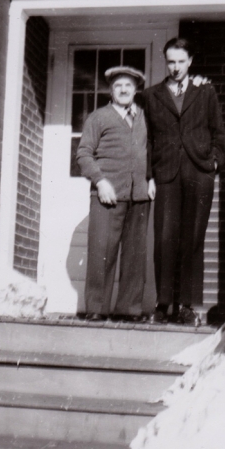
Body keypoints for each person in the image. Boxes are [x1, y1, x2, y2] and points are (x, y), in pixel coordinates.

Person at [143, 38, 225, 326]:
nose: (176, 67)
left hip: (198, 172)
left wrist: (214, 162)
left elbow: (219, 131)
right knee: (164, 239)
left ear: (190, 61)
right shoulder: (152, 95)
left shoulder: (205, 91)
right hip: (166, 174)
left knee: (193, 239)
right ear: (164, 62)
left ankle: (187, 306)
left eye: (181, 61)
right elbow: (148, 140)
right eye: (171, 61)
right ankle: (163, 303)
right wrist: (149, 176)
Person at [76, 66, 153, 322]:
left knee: (135, 256)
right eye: (118, 85)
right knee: (102, 253)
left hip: (139, 195)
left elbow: (153, 152)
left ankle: (129, 310)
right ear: (111, 90)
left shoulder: (144, 117)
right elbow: (83, 153)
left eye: (128, 86)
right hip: (107, 196)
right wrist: (100, 181)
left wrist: (151, 179)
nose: (123, 90)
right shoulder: (98, 118)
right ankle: (96, 308)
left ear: (136, 90)